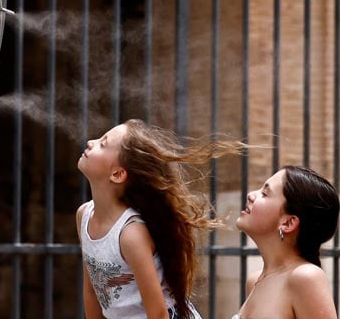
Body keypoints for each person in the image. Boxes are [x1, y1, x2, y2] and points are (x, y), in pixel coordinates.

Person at [76, 118, 247, 319]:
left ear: (118, 174)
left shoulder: (130, 234)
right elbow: (92, 291)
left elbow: (158, 314)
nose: (90, 142)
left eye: (102, 144)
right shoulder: (84, 215)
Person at [234, 165, 340, 319]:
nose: (250, 195)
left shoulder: (306, 277)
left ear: (288, 223)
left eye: (264, 193)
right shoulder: (254, 281)